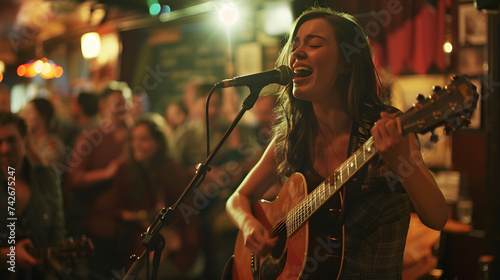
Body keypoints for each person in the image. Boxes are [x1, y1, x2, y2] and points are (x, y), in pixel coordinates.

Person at [226, 6, 448, 279]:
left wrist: (404, 163)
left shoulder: (385, 127)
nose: (296, 53)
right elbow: (238, 198)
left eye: (314, 43)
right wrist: (249, 225)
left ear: (346, 62)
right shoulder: (294, 134)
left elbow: (437, 217)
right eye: (294, 45)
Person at [0, 111, 66, 280]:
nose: (5, 148)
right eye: (0, 141)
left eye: (11, 140)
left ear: (24, 139)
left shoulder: (46, 177)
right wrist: (9, 254)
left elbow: (57, 233)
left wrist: (58, 258)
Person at [22, 98, 65, 167]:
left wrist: (29, 147)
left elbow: (47, 171)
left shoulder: (53, 143)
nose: (24, 116)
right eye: (24, 112)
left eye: (29, 112)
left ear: (42, 115)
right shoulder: (31, 140)